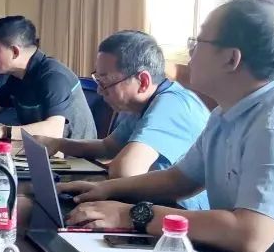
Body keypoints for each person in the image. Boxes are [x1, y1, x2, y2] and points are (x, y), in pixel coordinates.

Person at [60, 0, 274, 252]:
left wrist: (130, 214)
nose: (190, 53)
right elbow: (180, 179)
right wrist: (105, 190)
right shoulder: (229, 112)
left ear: (231, 59)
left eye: (197, 42)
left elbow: (249, 235)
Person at [34, 30, 210, 210]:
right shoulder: (141, 104)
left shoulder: (172, 105)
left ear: (143, 81)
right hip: (151, 204)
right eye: (98, 79)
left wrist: (104, 187)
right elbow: (107, 147)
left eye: (105, 82)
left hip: (181, 215)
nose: (99, 91)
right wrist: (58, 143)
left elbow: (125, 171)